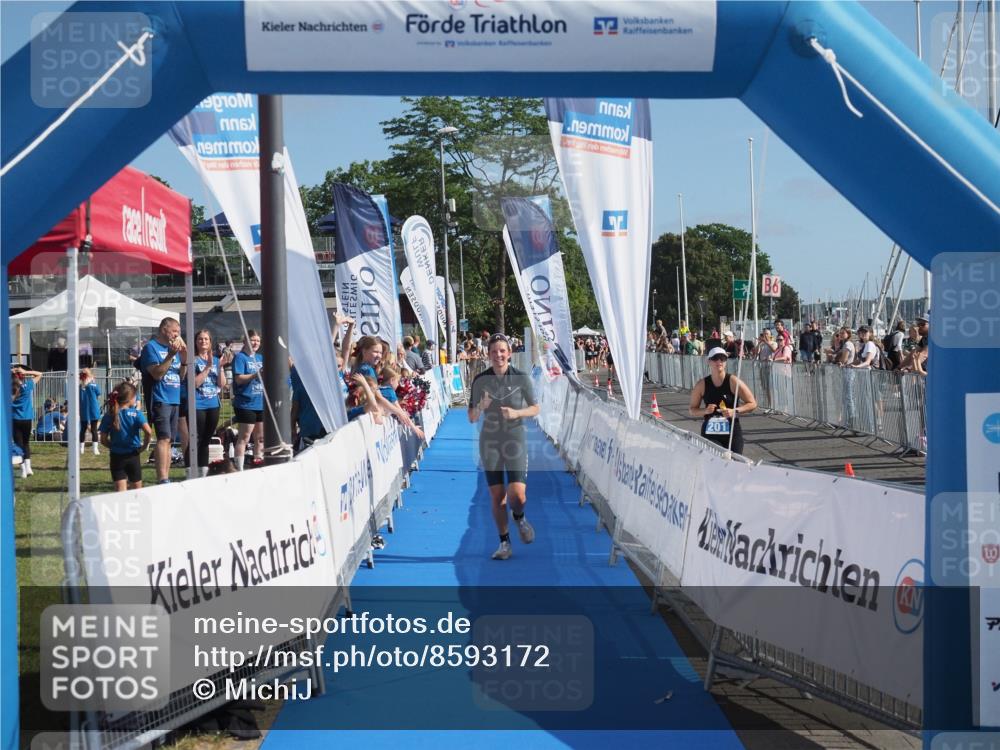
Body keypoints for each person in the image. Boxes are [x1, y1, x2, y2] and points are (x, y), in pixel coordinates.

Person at [468, 333, 540, 561]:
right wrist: (482, 405)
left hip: (515, 440)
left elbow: (536, 408)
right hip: (489, 442)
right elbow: (471, 416)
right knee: (498, 496)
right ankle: (504, 543)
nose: (498, 355)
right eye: (493, 351)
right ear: (488, 355)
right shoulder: (480, 380)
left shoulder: (522, 378)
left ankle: (519, 517)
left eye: (502, 351)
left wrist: (517, 413)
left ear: (509, 353)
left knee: (517, 495)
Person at [140, 317, 187, 484]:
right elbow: (157, 373)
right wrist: (171, 355)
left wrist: (184, 359)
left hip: (174, 398)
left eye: (179, 333)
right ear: (164, 330)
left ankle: (166, 476)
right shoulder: (151, 348)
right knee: (163, 437)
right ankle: (162, 478)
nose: (177, 335)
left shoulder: (171, 348)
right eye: (174, 331)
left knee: (171, 440)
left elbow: (180, 376)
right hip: (160, 398)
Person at [689, 347, 757, 455]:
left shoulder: (733, 381)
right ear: (709, 361)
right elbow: (692, 410)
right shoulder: (702, 384)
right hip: (710, 434)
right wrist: (705, 411)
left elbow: (752, 403)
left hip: (732, 434)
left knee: (735, 465)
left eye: (722, 358)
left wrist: (735, 411)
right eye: (715, 358)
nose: (719, 361)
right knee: (715, 463)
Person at [188, 330, 230, 476]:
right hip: (198, 404)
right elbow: (194, 384)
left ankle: (204, 471)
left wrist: (220, 367)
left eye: (206, 339)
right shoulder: (193, 360)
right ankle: (191, 470)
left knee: (206, 439)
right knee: (196, 438)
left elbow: (222, 384)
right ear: (196, 342)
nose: (203, 341)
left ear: (210, 342)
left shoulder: (217, 360)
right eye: (200, 339)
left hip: (213, 404)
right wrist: (207, 367)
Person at [99, 381, 152, 492]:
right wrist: (144, 446)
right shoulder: (136, 414)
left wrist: (113, 446)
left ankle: (122, 509)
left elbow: (103, 439)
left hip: (116, 457)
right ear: (130, 398)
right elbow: (149, 432)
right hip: (133, 455)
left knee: (120, 494)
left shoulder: (109, 415)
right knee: (137, 492)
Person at [232, 330, 264, 470]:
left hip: (261, 402)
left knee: (260, 437)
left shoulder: (261, 357)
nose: (255, 343)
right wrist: (255, 375)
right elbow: (238, 379)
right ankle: (239, 467)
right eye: (252, 340)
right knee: (245, 436)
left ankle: (259, 464)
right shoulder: (240, 357)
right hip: (245, 403)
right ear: (245, 341)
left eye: (257, 340)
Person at [11, 366, 43, 478]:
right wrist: (26, 371)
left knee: (18, 444)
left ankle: (23, 469)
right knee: (26, 443)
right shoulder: (27, 385)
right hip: (27, 418)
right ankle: (29, 467)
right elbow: (39, 374)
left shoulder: (11, 387)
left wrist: (9, 371)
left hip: (15, 418)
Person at [79, 368, 102, 455]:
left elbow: (98, 395)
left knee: (93, 429)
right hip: (84, 409)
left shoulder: (93, 385)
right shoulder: (80, 386)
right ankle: (81, 448)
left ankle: (94, 448)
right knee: (84, 428)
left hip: (92, 409)